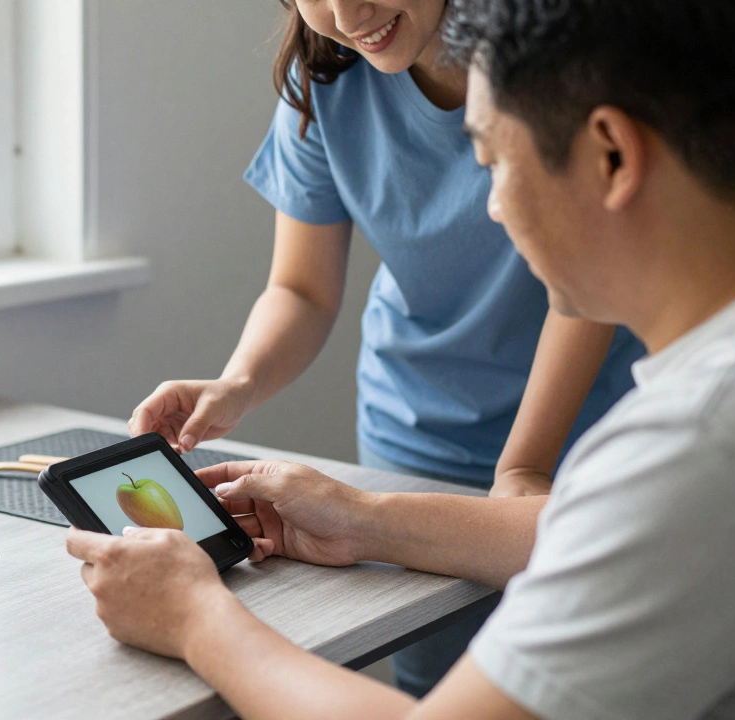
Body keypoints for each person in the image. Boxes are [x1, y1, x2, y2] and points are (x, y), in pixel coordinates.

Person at [71, 0, 735, 717]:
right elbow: (605, 535)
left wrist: (196, 617)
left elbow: (648, 518)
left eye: (492, 157)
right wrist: (366, 520)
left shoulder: (700, 454)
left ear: (609, 154)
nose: (490, 207)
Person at [128, 0, 645, 696]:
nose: (348, 13)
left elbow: (586, 285)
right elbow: (301, 290)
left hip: (580, 436)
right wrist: (237, 384)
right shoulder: (326, 81)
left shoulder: (543, 54)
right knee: (437, 680)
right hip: (412, 435)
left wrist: (523, 467)